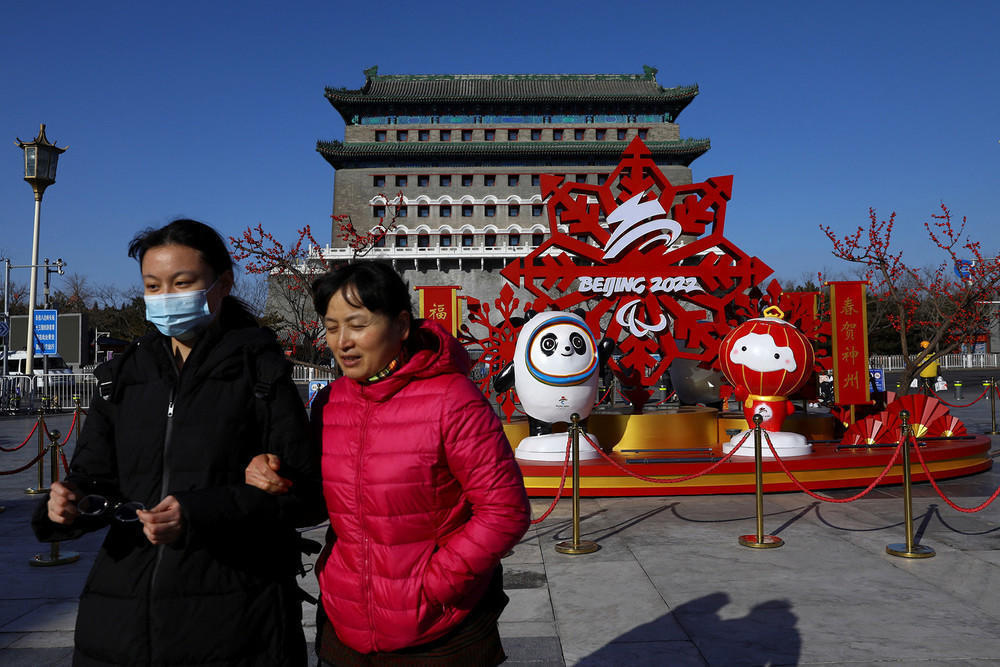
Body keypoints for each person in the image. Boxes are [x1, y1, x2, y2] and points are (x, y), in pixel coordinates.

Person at [33, 219, 322, 666]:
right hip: (120, 619)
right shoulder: (121, 378)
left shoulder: (261, 373)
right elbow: (95, 479)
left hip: (236, 618)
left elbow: (304, 498)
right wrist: (67, 506)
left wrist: (200, 511)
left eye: (182, 282)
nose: (166, 296)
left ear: (222, 283)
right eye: (153, 285)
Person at [246, 260, 531, 665]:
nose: (343, 341)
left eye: (358, 325)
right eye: (331, 327)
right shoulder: (330, 402)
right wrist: (273, 473)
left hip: (439, 631)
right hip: (346, 625)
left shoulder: (453, 399)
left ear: (400, 326)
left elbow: (505, 511)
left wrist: (435, 583)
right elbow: (319, 499)